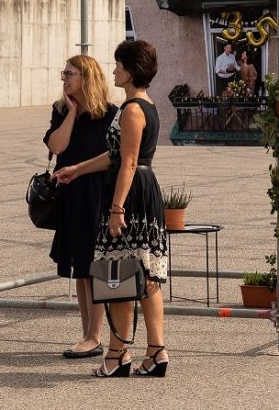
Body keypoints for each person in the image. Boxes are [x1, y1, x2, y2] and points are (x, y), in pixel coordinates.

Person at [54, 40, 169, 379]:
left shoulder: (132, 109)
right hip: (139, 191)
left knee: (118, 275)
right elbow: (115, 157)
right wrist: (77, 169)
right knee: (145, 275)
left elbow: (128, 162)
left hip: (130, 196)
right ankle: (155, 352)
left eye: (119, 65)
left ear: (132, 70)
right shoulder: (143, 105)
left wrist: (117, 208)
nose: (114, 70)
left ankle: (117, 354)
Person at [44, 56, 118, 360]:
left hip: (96, 195)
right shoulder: (61, 109)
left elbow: (113, 157)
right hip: (70, 195)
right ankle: (88, 334)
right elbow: (56, 147)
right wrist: (72, 113)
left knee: (95, 266)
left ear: (87, 77)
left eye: (70, 74)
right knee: (79, 266)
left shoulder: (110, 114)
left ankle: (94, 336)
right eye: (63, 73)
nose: (64, 79)